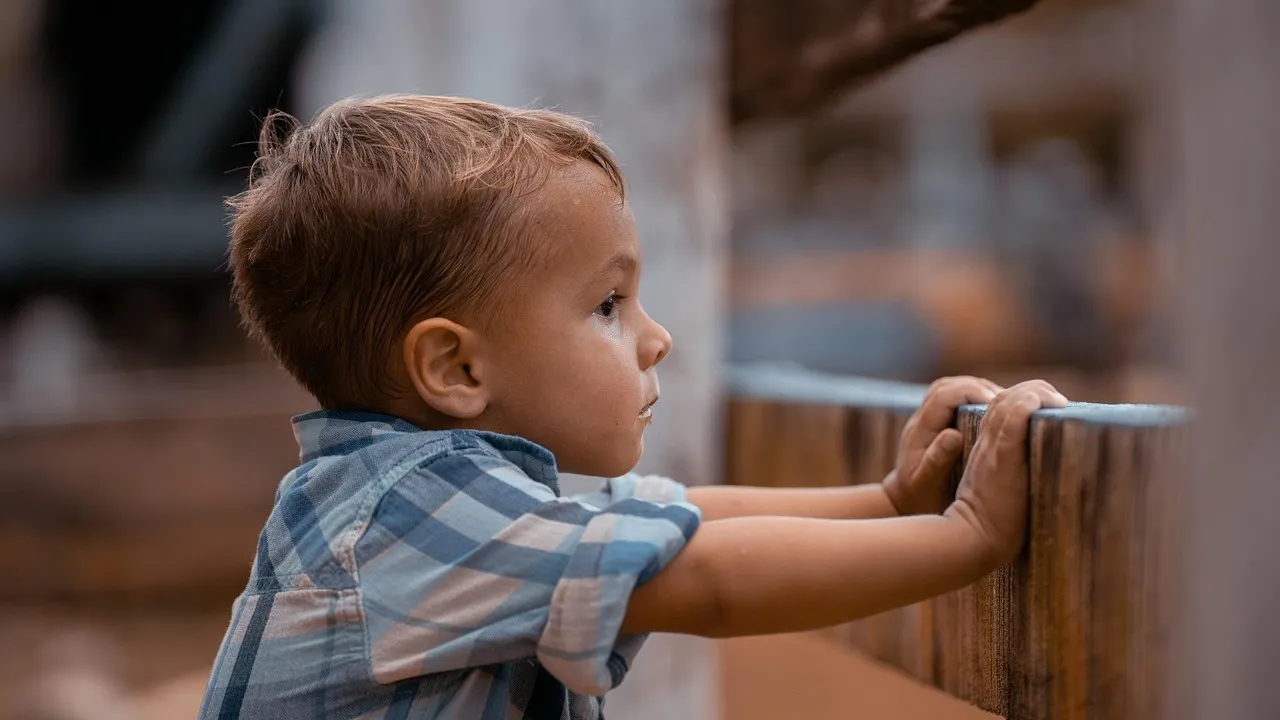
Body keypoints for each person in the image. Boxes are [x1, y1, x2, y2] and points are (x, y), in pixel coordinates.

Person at [198, 94, 1069, 719]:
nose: (657, 339)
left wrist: (889, 503)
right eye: (608, 305)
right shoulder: (407, 513)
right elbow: (707, 582)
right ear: (454, 367)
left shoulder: (432, 496)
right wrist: (967, 540)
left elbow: (682, 519)